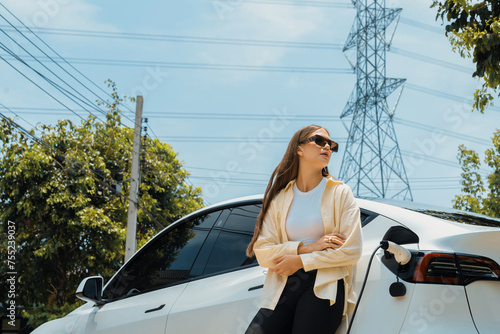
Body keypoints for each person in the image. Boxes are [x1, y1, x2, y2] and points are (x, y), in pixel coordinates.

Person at [245, 124, 363, 334]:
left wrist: (300, 261)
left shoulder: (340, 193)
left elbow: (351, 250)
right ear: (299, 149)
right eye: (319, 140)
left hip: (324, 285)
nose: (327, 146)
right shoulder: (280, 198)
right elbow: (263, 252)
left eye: (331, 144)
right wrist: (306, 248)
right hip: (282, 285)